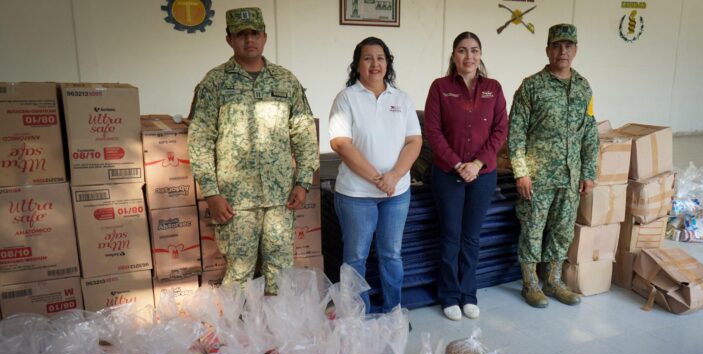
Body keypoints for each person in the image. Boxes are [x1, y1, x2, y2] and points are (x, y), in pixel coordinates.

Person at [188, 7, 319, 295]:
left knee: (280, 271)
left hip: (281, 198)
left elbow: (304, 132)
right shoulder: (215, 82)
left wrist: (303, 181)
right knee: (239, 272)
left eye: (255, 33)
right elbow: (200, 139)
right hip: (235, 201)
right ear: (229, 39)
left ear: (264, 37)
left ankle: (275, 323)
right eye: (241, 34)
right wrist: (211, 193)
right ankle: (237, 324)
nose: (249, 40)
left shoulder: (286, 81)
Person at [328, 37, 422, 313]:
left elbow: (414, 141)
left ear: (387, 63)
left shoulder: (401, 99)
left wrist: (393, 176)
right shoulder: (346, 98)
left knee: (391, 255)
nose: (375, 64)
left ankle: (393, 311)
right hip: (356, 195)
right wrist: (378, 178)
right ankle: (357, 316)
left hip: (396, 194)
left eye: (380, 58)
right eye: (367, 58)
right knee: (355, 258)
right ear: (357, 65)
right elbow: (341, 143)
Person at [508, 24, 599, 308]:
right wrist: (521, 172)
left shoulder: (583, 87)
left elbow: (590, 132)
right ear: (547, 50)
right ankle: (530, 284)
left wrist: (588, 172)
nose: (563, 51)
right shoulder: (531, 86)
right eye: (557, 46)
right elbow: (516, 133)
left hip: (570, 176)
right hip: (538, 177)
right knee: (533, 229)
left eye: (568, 46)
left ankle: (553, 280)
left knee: (562, 230)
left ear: (576, 50)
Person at [424, 31, 508, 321]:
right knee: (450, 236)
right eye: (462, 50)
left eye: (474, 50)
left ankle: (468, 294)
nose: (468, 56)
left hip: (483, 176)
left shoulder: (493, 88)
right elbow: (432, 131)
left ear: (480, 55)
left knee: (471, 237)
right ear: (453, 55)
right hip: (448, 174)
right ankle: (449, 295)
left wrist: (477, 164)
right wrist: (458, 163)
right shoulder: (440, 87)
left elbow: (500, 130)